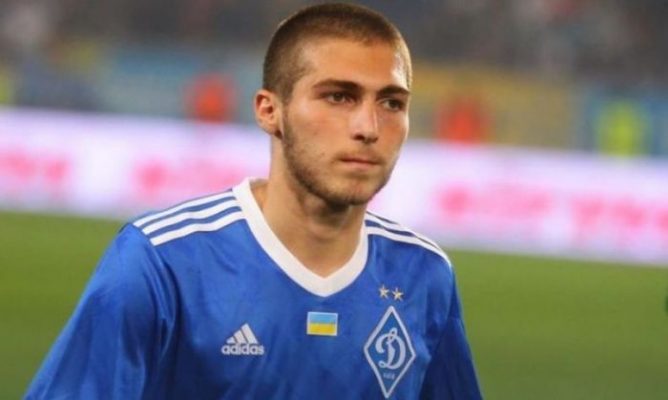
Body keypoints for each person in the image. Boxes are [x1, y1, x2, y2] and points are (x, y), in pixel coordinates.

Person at [25, 3, 482, 399]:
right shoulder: (162, 262)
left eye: (391, 103)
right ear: (269, 110)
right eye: (339, 97)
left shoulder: (424, 275)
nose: (368, 127)